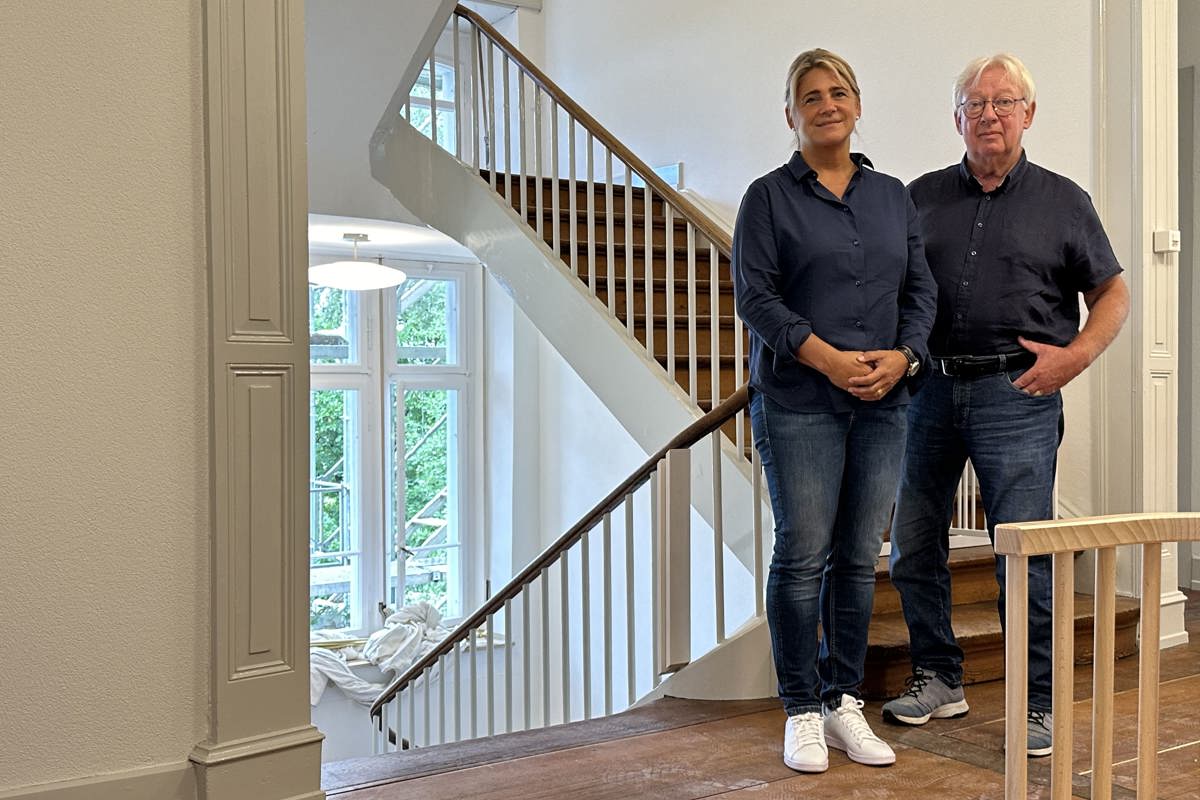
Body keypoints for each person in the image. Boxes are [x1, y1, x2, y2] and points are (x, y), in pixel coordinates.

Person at [882, 53, 1130, 758]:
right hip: (926, 391)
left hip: (1017, 393)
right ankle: (939, 677)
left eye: (1004, 102)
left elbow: (1112, 293)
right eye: (975, 103)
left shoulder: (1064, 201)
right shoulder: (917, 196)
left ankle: (1038, 703)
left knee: (1024, 555)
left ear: (1029, 113)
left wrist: (1074, 357)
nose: (989, 115)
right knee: (913, 545)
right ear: (956, 116)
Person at [732, 48, 937, 774]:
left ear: (857, 104)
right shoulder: (767, 199)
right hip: (800, 403)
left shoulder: (892, 197)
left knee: (857, 559)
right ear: (791, 115)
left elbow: (920, 292)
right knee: (802, 555)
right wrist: (825, 357)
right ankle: (799, 707)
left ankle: (842, 700)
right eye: (810, 96)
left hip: (885, 403)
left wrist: (905, 357)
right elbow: (756, 298)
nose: (827, 104)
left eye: (839, 91)